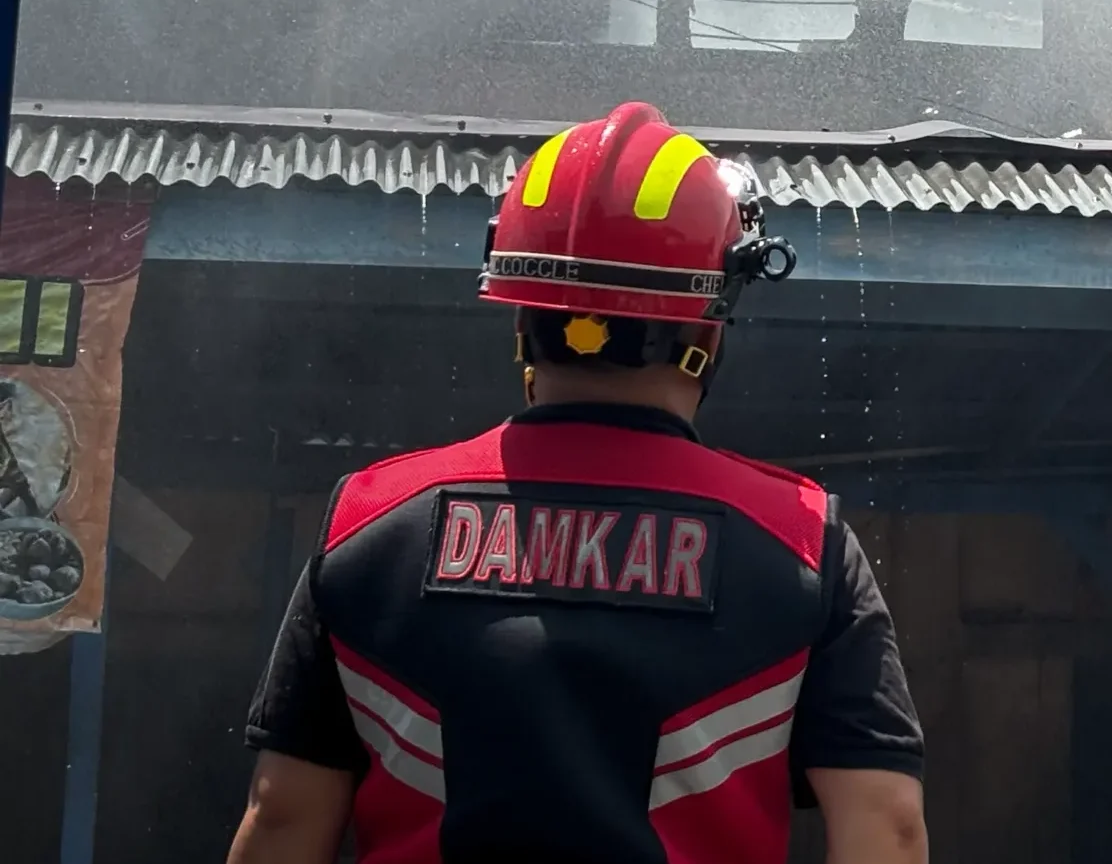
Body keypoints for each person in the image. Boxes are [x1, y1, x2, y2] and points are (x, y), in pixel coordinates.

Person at [226, 102, 928, 864]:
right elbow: (884, 824)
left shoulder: (369, 524)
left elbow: (285, 818)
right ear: (709, 319)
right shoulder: (802, 543)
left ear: (520, 309)